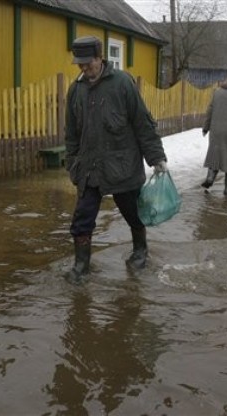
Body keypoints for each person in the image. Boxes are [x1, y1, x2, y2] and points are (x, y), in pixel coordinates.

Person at [64, 36, 167, 285]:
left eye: (88, 63)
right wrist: (72, 163)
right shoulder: (76, 89)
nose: (84, 68)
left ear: (100, 58)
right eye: (80, 64)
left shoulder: (122, 84)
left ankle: (140, 252)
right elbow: (71, 132)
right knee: (82, 219)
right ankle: (81, 266)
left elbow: (143, 123)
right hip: (90, 167)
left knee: (133, 213)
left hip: (122, 164)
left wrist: (156, 157)